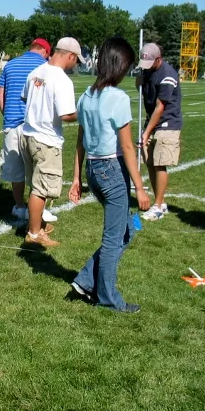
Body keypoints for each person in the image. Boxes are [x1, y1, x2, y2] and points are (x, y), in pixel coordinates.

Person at [69, 38, 151, 313]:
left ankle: (86, 280)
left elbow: (80, 142)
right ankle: (108, 297)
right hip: (111, 171)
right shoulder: (118, 98)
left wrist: (77, 178)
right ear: (119, 66)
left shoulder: (86, 96)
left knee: (126, 231)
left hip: (93, 170)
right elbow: (127, 146)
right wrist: (140, 188)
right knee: (114, 238)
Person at [21, 37, 83, 248]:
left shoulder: (35, 72)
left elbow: (24, 98)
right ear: (71, 55)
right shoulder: (62, 80)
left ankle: (37, 225)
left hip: (28, 134)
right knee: (41, 189)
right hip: (46, 139)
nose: (75, 64)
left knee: (35, 185)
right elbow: (66, 114)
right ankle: (35, 233)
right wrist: (82, 114)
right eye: (76, 60)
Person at [0, 38, 52, 222]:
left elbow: (0, 96)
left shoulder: (10, 65)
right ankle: (37, 208)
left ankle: (20, 206)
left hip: (12, 123)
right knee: (39, 167)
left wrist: (8, 115)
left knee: (16, 169)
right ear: (45, 51)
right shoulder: (47, 66)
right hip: (37, 125)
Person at [135, 43, 182, 221]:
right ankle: (160, 202)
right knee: (150, 162)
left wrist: (146, 132)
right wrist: (138, 81)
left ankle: (158, 206)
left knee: (160, 163)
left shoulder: (167, 75)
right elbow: (143, 92)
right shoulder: (147, 71)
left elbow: (160, 107)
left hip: (167, 123)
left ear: (159, 59)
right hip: (152, 122)